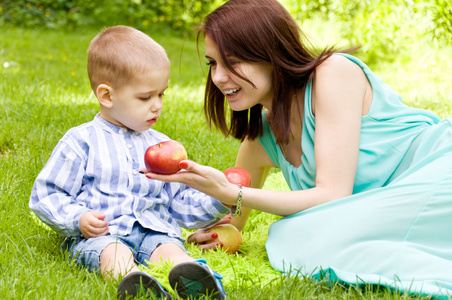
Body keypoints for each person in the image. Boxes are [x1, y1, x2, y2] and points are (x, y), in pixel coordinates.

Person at [143, 0, 452, 298]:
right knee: (292, 235)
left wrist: (231, 193)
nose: (219, 77)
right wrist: (205, 229)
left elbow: (333, 194)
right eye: (213, 64)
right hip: (385, 207)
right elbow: (232, 223)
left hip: (437, 167)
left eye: (233, 62)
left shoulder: (333, 73)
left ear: (270, 53)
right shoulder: (259, 141)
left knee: (295, 233)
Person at [29, 25, 229, 300]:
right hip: (102, 235)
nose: (157, 105)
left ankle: (193, 278)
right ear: (107, 96)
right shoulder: (81, 141)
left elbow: (179, 203)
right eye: (145, 97)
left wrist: (220, 198)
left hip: (154, 231)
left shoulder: (162, 145)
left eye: (161, 94)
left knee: (170, 250)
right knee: (113, 253)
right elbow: (47, 194)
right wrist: (78, 219)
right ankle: (133, 283)